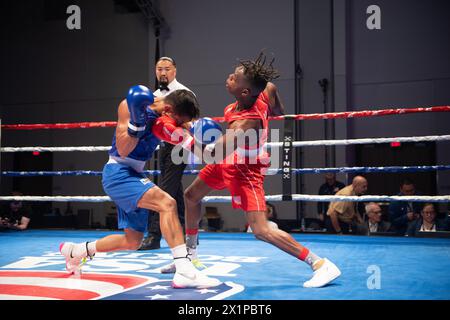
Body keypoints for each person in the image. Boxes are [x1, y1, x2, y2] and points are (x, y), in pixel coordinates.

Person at [162, 52, 341, 288]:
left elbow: (211, 154)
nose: (229, 77)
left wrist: (182, 136)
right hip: (231, 158)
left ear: (245, 92)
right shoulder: (265, 89)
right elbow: (277, 108)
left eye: (234, 78)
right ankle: (190, 256)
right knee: (191, 195)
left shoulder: (244, 124)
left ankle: (320, 264)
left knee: (261, 229)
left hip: (246, 169)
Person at [59, 86, 220, 288]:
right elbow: (124, 150)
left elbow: (190, 137)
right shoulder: (131, 106)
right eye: (179, 121)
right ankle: (184, 270)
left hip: (134, 174)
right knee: (167, 203)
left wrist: (213, 148)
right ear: (169, 110)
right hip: (118, 172)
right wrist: (137, 124)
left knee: (132, 241)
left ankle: (77, 250)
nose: (179, 125)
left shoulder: (170, 116)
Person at [139, 56, 195, 251]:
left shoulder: (184, 93)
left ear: (174, 71)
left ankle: (153, 236)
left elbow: (191, 123)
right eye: (159, 69)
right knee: (173, 189)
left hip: (179, 146)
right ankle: (185, 234)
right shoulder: (153, 95)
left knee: (162, 190)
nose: (163, 72)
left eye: (167, 69)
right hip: (163, 146)